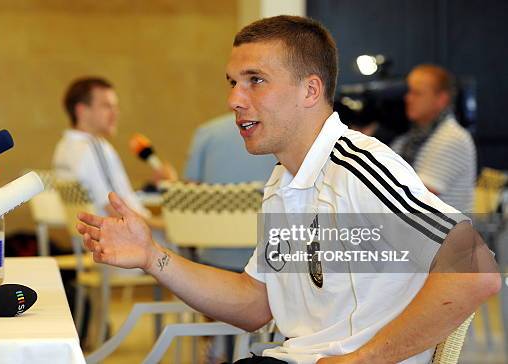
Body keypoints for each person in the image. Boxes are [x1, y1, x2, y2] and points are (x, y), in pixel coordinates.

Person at [76, 16, 499, 364]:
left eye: (255, 80)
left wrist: (364, 359)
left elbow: (476, 272)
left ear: (310, 90)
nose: (234, 100)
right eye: (232, 82)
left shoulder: (357, 167)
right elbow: (255, 303)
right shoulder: (284, 179)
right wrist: (153, 257)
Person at [53, 77, 173, 224]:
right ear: (82, 111)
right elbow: (116, 209)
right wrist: (166, 225)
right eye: (107, 106)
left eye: (115, 106)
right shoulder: (93, 147)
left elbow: (107, 198)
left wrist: (151, 188)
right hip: (128, 239)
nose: (115, 113)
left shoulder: (63, 146)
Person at [185, 112, 276, 272]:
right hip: (273, 254)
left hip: (215, 255)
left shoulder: (207, 132)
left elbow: (191, 194)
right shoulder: (283, 134)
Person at [391, 65, 476, 212]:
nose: (407, 98)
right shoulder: (409, 139)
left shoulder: (452, 138)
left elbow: (413, 196)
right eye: (408, 91)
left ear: (441, 100)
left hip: (443, 234)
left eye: (416, 93)